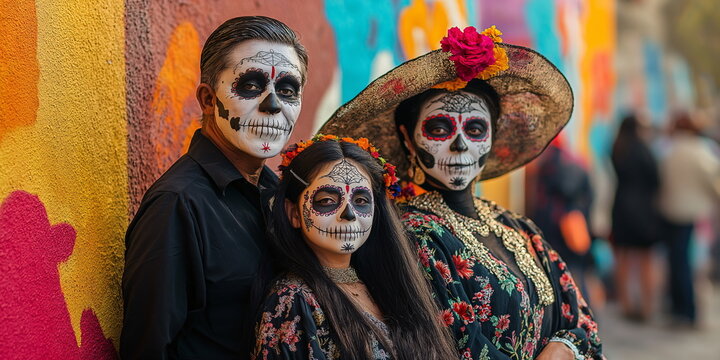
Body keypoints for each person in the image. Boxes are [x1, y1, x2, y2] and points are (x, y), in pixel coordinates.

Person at [321, 26, 603, 359]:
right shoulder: (405, 234)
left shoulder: (518, 227)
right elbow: (445, 343)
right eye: (439, 128)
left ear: (492, 137)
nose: (459, 144)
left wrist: (565, 347)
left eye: (474, 128)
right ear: (408, 139)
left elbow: (580, 316)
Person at [121, 16, 308, 359]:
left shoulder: (281, 194)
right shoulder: (177, 204)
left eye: (287, 90)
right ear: (208, 100)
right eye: (250, 86)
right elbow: (147, 349)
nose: (273, 105)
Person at [252, 135, 456, 359]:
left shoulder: (386, 284)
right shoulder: (293, 300)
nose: (349, 214)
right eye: (327, 200)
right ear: (293, 213)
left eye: (360, 201)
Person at [659, 111, 720, 327]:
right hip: (694, 214)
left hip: (669, 211)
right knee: (693, 265)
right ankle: (689, 310)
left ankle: (678, 307)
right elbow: (713, 180)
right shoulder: (702, 150)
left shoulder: (666, 149)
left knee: (676, 262)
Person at [609, 113, 662, 322]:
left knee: (622, 257)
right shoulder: (644, 149)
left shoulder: (617, 148)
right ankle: (647, 305)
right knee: (646, 259)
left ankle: (626, 303)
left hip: (621, 207)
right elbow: (656, 179)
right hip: (643, 211)